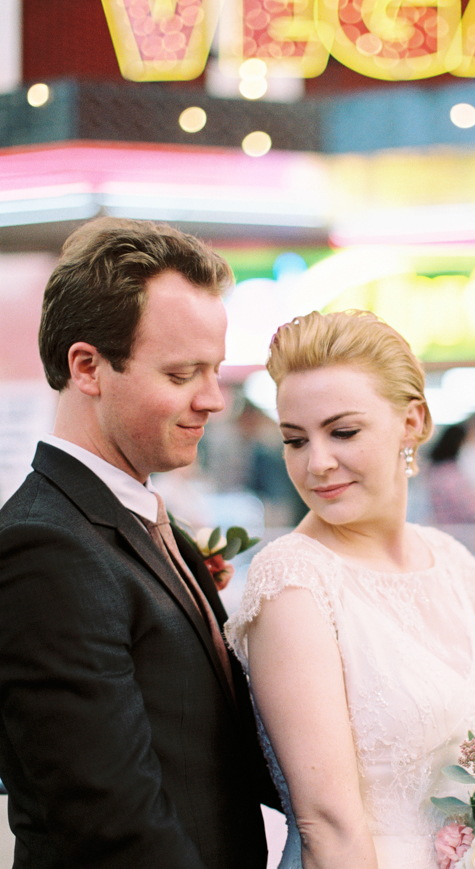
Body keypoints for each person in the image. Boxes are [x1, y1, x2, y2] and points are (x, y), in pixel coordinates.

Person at [0, 217, 277, 869]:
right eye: (183, 373)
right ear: (88, 366)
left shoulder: (143, 517)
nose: (212, 398)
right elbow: (112, 824)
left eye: (214, 369)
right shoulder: (46, 545)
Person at [226, 309, 475, 869]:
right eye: (295, 440)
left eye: (343, 432)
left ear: (412, 422)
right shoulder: (294, 582)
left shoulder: (450, 562)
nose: (317, 463)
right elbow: (328, 824)